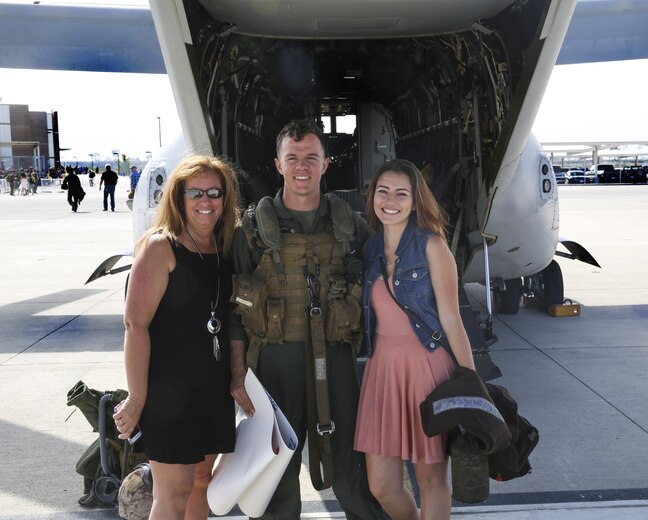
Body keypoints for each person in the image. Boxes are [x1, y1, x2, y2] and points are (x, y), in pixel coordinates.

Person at [230, 119, 386, 520]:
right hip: (273, 366)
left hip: (336, 361)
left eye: (311, 158)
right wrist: (236, 375)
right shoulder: (250, 230)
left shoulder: (350, 225)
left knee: (352, 472)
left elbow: (387, 280)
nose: (303, 167)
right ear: (278, 165)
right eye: (293, 158)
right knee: (276, 477)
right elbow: (232, 311)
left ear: (326, 163)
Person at [112, 155, 254, 520]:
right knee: (172, 494)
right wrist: (137, 397)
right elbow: (135, 325)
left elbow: (237, 315)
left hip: (213, 389)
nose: (206, 202)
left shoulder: (227, 248)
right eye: (196, 193)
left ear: (225, 198)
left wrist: (237, 374)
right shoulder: (161, 247)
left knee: (201, 482)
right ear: (179, 197)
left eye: (214, 192)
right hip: (168, 394)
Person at [354, 158, 477, 520]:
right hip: (382, 371)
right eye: (383, 191)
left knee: (430, 479)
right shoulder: (370, 251)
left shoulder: (432, 246)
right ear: (373, 196)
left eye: (401, 193)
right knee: (382, 485)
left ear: (414, 200)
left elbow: (453, 319)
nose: (390, 200)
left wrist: (470, 383)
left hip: (427, 367)